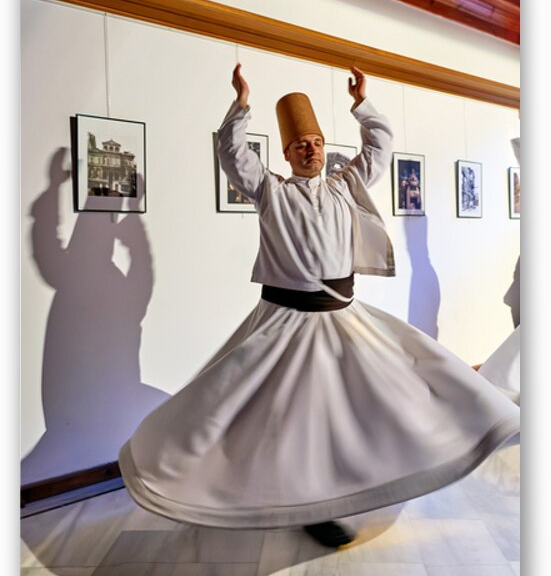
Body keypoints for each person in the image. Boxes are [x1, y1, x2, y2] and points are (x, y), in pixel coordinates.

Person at [119, 65, 519, 548]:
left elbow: (380, 146)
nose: (310, 149)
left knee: (395, 388)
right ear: (286, 154)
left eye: (316, 141)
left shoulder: (343, 186)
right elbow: (230, 152)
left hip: (342, 318)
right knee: (285, 417)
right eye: (300, 144)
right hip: (286, 323)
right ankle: (300, 503)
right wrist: (243, 104)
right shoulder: (271, 192)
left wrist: (362, 104)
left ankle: (366, 480)